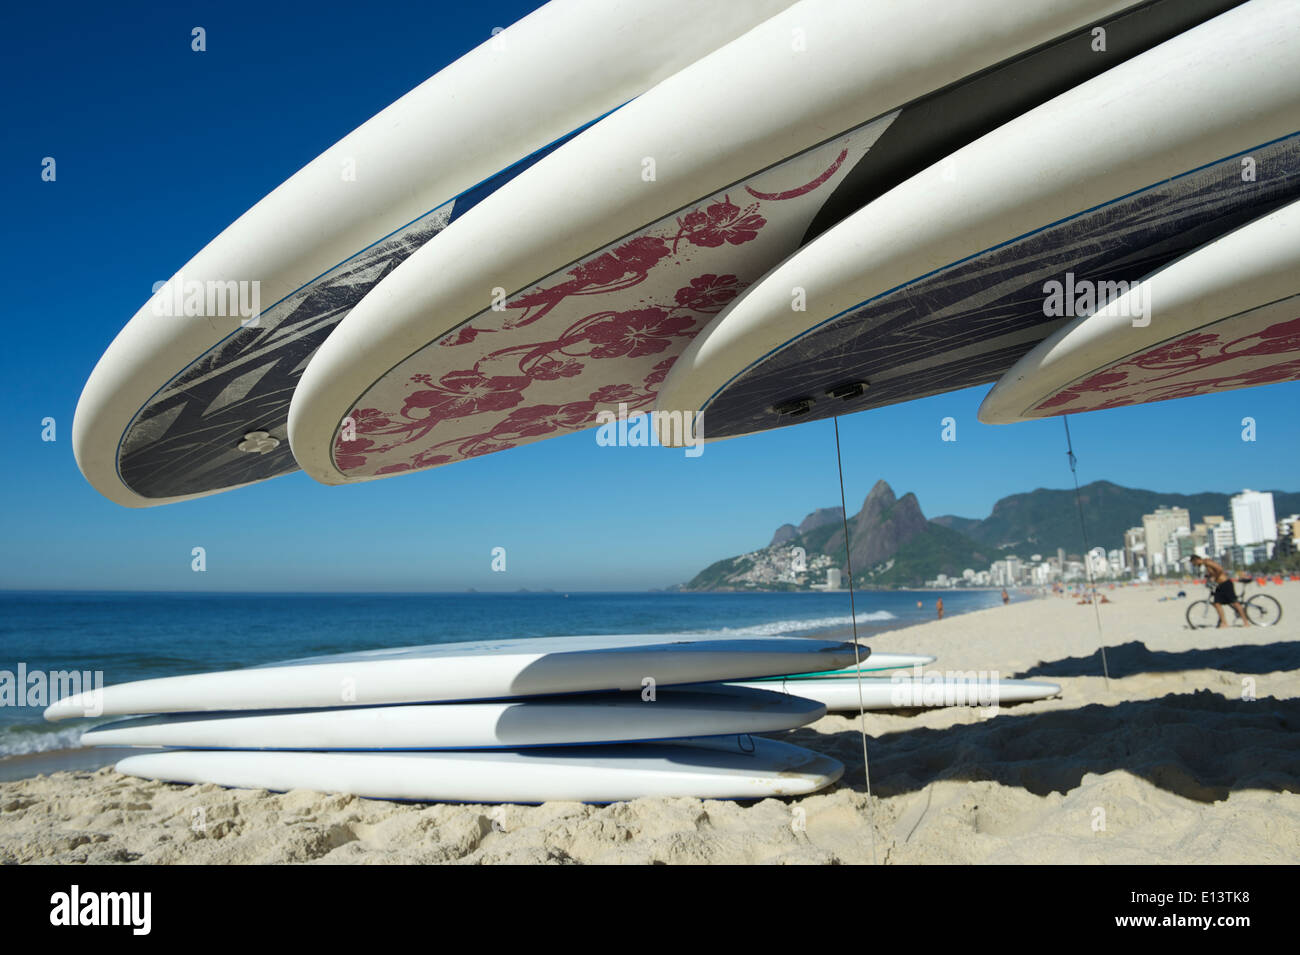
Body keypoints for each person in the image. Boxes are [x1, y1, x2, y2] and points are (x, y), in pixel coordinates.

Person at [1190, 555, 1251, 627]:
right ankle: (1224, 623)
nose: (1195, 565)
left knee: (1235, 603)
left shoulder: (1207, 562)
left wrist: (1214, 577)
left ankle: (1246, 622)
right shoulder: (1206, 564)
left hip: (1225, 583)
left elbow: (1220, 569)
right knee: (1217, 603)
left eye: (1194, 564)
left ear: (1196, 560)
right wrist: (1208, 576)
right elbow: (1213, 572)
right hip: (1219, 585)